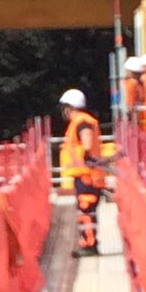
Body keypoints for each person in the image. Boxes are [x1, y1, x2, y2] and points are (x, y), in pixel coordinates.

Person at [59, 87, 106, 257]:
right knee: (86, 211)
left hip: (87, 176)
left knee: (86, 211)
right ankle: (89, 243)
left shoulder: (82, 122)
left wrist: (86, 151)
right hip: (85, 175)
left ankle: (89, 245)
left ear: (69, 107)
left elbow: (86, 138)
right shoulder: (80, 122)